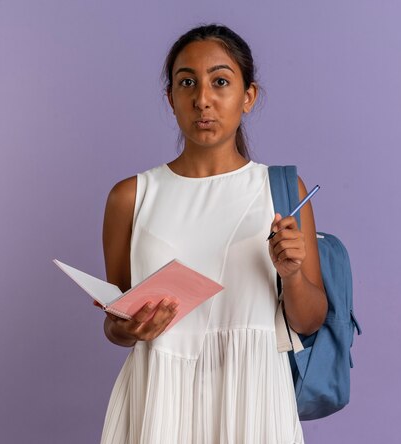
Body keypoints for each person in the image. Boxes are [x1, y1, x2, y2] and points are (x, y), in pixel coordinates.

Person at [98, 24, 327, 444]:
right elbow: (115, 324)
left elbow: (310, 320)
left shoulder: (281, 191)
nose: (202, 99)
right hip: (159, 399)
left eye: (220, 81)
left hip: (253, 398)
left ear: (248, 96)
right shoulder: (130, 197)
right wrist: (129, 329)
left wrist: (292, 274)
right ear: (171, 99)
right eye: (187, 82)